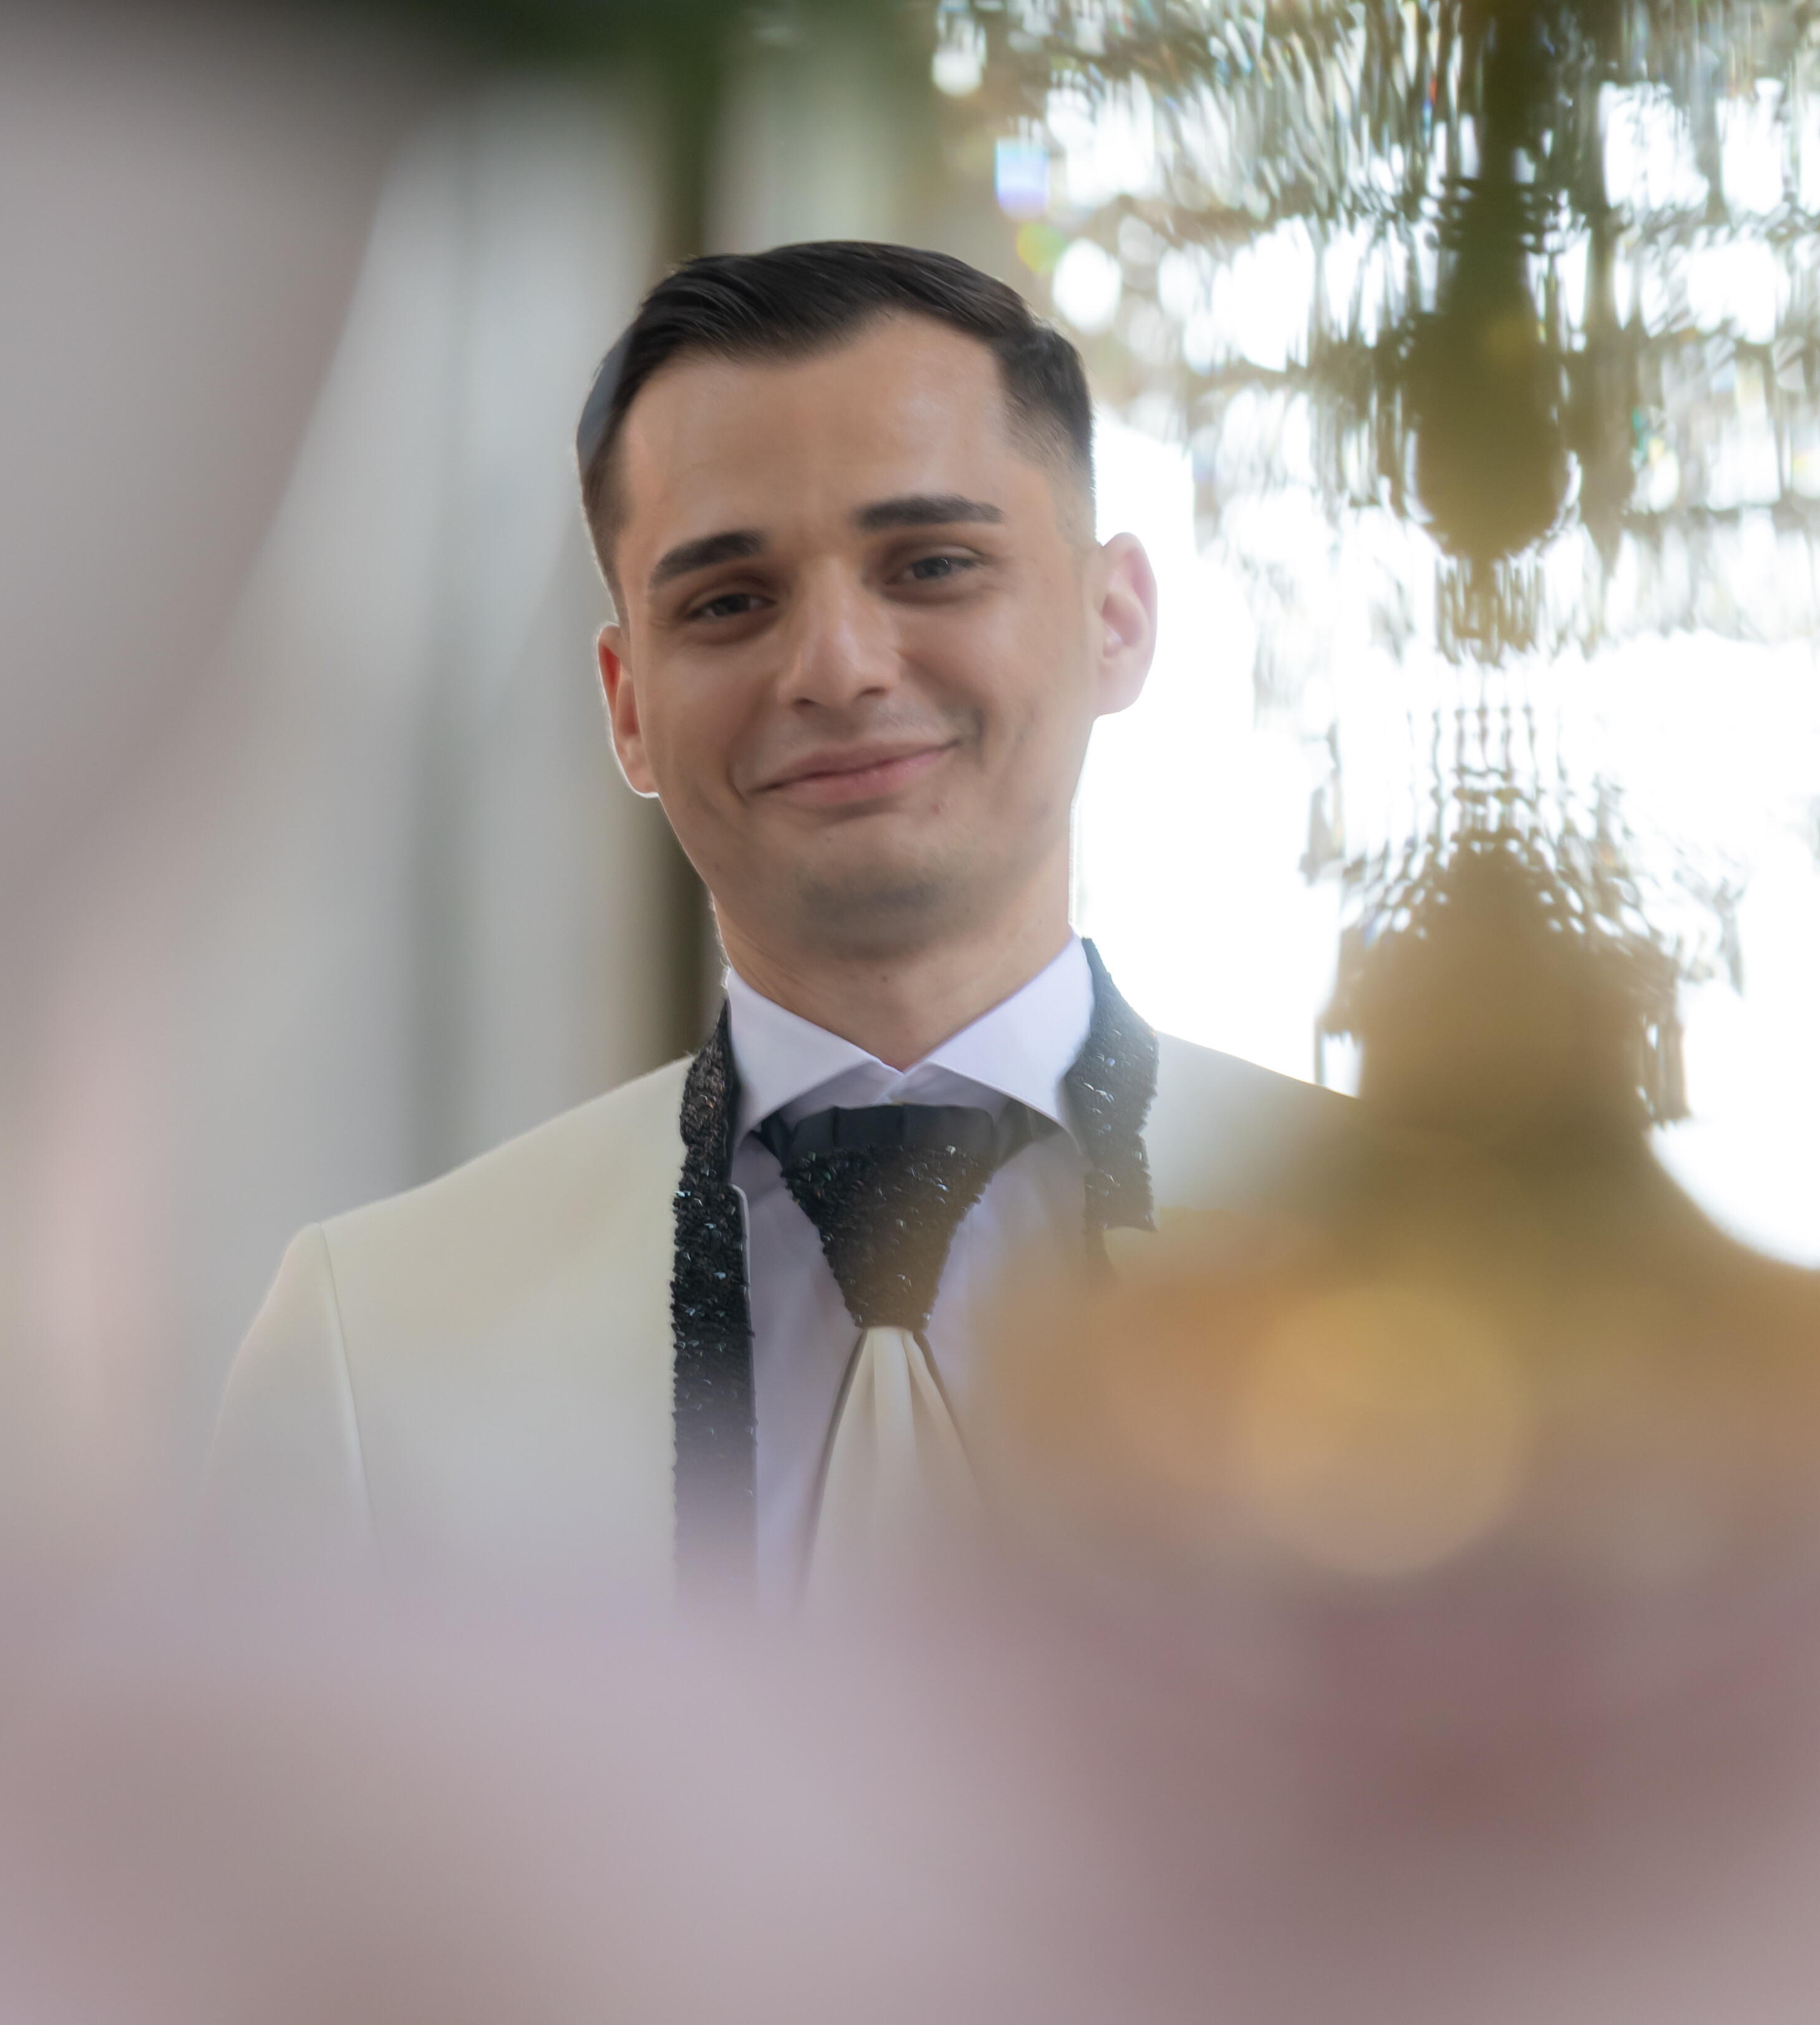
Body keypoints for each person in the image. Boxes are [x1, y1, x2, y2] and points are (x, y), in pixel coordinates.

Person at [204, 242, 1340, 1604]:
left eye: (932, 564)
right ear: (628, 705)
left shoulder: (1436, 1270)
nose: (838, 667)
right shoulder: (365, 1348)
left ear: (1116, 620)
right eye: (731, 602)